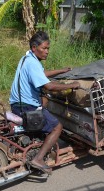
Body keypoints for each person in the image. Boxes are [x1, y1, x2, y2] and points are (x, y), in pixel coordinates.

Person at [9, 31, 80, 174]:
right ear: (34, 48)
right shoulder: (32, 63)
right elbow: (49, 86)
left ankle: (38, 138)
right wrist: (71, 85)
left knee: (44, 100)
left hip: (16, 104)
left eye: (48, 49)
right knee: (57, 127)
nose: (47, 52)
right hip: (27, 108)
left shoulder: (27, 58)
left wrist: (62, 70)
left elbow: (42, 75)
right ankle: (38, 159)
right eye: (44, 48)